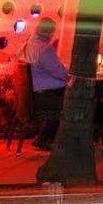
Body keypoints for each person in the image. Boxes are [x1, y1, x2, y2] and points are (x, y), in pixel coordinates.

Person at [22, 18, 69, 148]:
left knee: (66, 96)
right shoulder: (44, 49)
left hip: (34, 95)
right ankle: (49, 139)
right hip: (45, 96)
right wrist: (73, 76)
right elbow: (61, 73)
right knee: (72, 103)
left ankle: (44, 138)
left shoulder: (29, 43)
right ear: (50, 33)